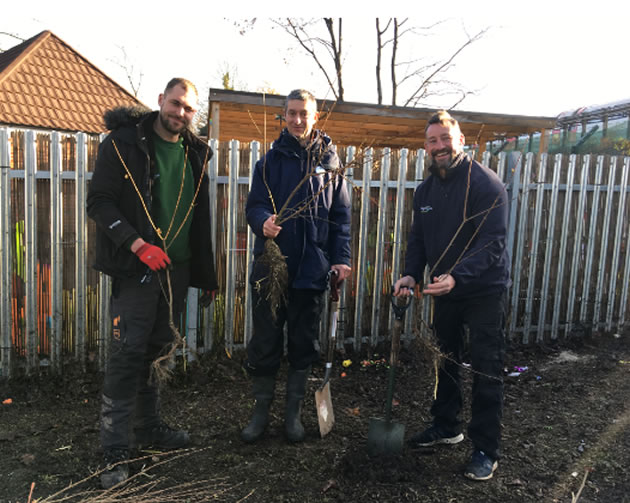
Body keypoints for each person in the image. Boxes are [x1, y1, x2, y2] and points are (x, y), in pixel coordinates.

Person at [87, 78, 217, 489]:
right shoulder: (122, 144)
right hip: (136, 270)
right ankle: (114, 449)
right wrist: (138, 244)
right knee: (127, 355)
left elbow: (200, 220)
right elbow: (99, 202)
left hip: (175, 271)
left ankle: (149, 428)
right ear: (161, 100)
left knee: (158, 349)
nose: (181, 113)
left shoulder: (195, 153)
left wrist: (206, 276)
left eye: (189, 109)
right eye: (176, 103)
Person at [393, 110, 510, 481]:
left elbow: (492, 244)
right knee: (445, 359)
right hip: (445, 289)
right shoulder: (426, 191)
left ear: (461, 141)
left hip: (483, 291)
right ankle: (447, 426)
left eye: (445, 138)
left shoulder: (486, 185)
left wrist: (457, 277)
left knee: (485, 366)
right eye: (432, 140)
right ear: (425, 146)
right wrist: (411, 273)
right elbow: (419, 239)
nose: (439, 146)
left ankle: (485, 449)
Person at [242, 89, 351, 444]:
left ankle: (291, 416)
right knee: (266, 339)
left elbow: (341, 218)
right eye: (291, 113)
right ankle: (261, 414)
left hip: (311, 269)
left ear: (315, 116)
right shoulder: (269, 162)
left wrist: (341, 259)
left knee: (303, 343)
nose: (297, 119)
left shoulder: (331, 165)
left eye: (304, 113)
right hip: (272, 269)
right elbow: (254, 205)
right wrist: (263, 222)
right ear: (283, 116)